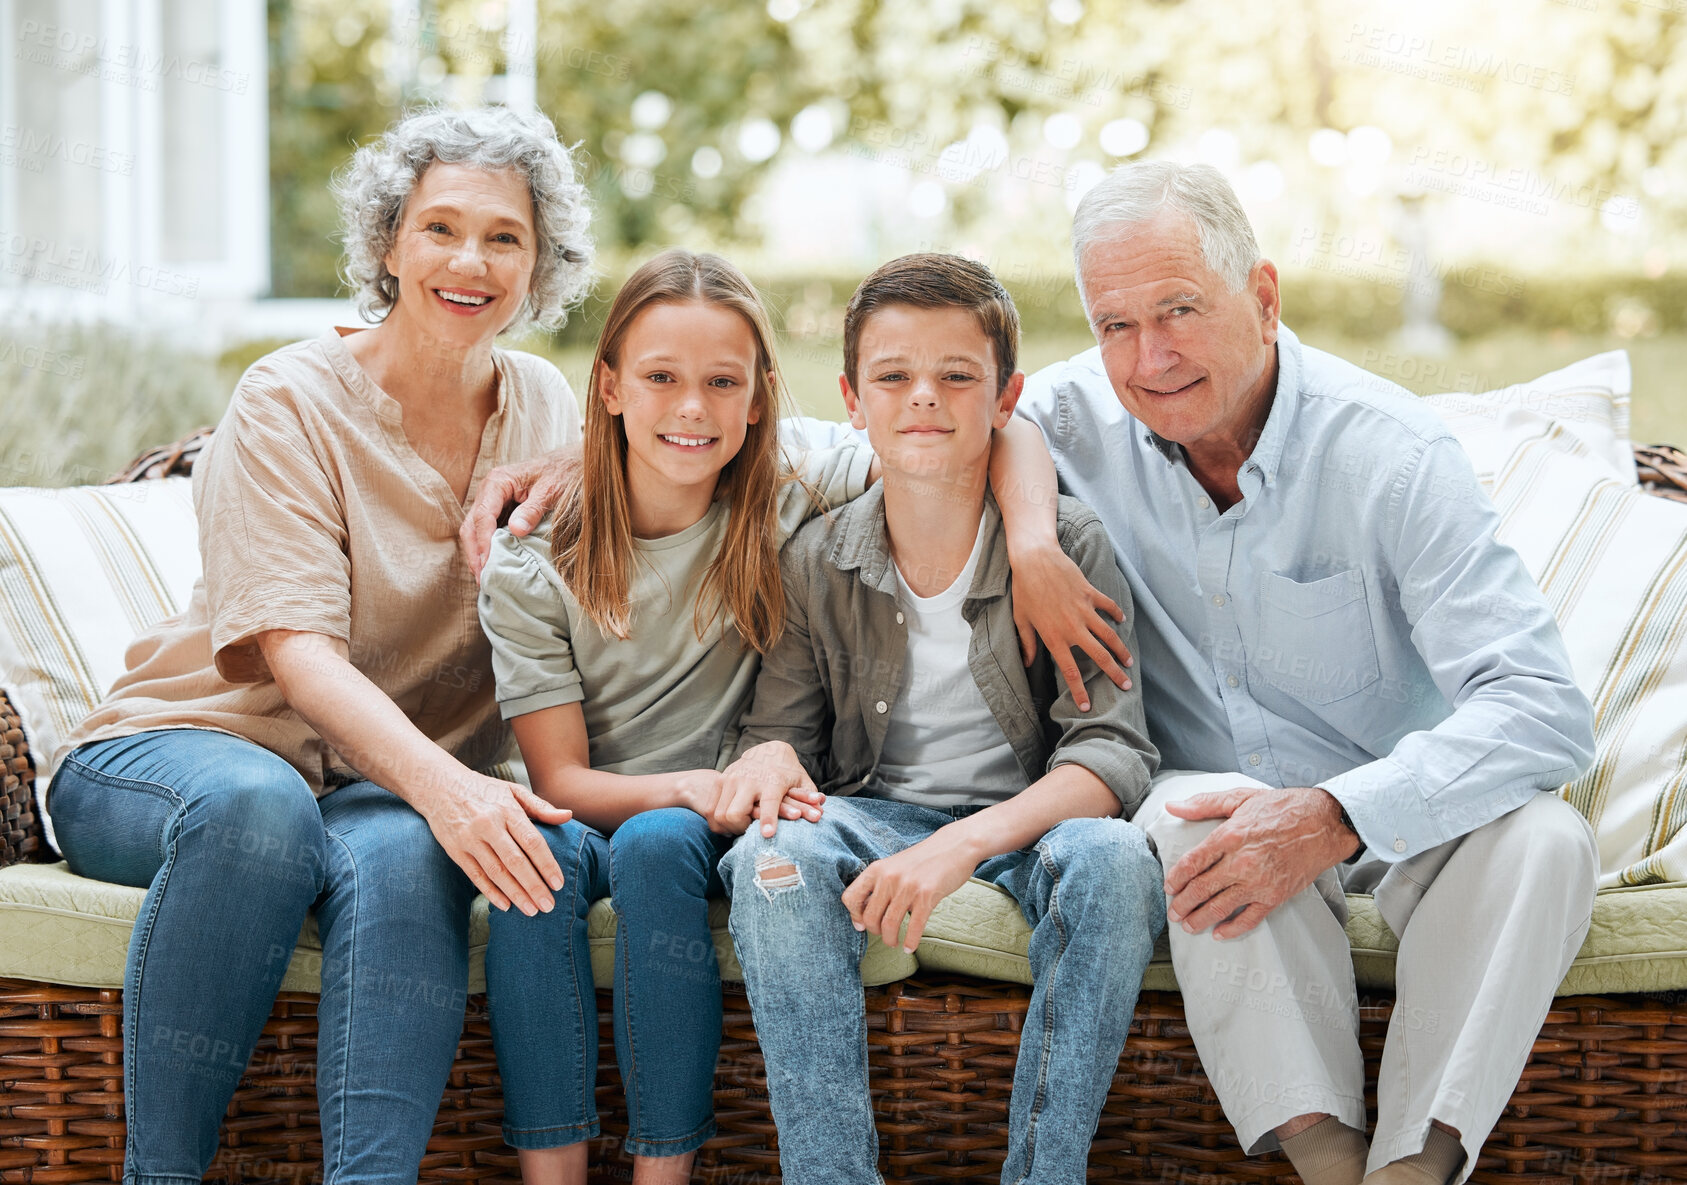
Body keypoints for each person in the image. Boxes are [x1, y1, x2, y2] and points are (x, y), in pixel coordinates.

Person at [993, 160, 1599, 1185]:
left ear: (1263, 298)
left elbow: (1543, 712)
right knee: (1200, 827)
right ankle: (1328, 1162)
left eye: (1180, 309)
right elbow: (968, 415)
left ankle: (1414, 1167)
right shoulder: (1073, 426)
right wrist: (1028, 543)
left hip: (1403, 817)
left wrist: (1333, 813)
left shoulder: (1393, 454)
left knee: (1548, 836)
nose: (1149, 358)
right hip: (1212, 809)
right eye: (1114, 326)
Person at [45, 105, 591, 1182]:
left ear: (540, 266)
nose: (469, 260)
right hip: (177, 753)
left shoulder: (544, 405)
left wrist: (591, 464)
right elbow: (298, 655)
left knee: (399, 858)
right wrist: (452, 788)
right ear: (388, 243)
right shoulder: (286, 397)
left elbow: (729, 446)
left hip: (370, 789)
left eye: (505, 237)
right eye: (439, 228)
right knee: (261, 812)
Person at [715, 253, 1165, 1185]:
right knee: (771, 862)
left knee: (1116, 861)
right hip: (870, 809)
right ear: (852, 396)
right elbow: (781, 733)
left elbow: (1112, 749)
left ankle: (1045, 1172)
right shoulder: (816, 558)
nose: (924, 397)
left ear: (1005, 399)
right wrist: (763, 758)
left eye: (957, 376)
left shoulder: (1065, 545)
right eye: (894, 376)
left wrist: (961, 845)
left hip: (1022, 823)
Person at [474, 248, 876, 1183]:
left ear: (758, 398)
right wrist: (690, 787)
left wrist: (1028, 534)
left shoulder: (792, 493)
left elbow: (978, 433)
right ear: (609, 386)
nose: (692, 409)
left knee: (658, 845)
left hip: (701, 824)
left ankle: (664, 1173)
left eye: (720, 383)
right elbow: (560, 780)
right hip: (595, 801)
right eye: (660, 378)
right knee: (528, 863)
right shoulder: (535, 563)